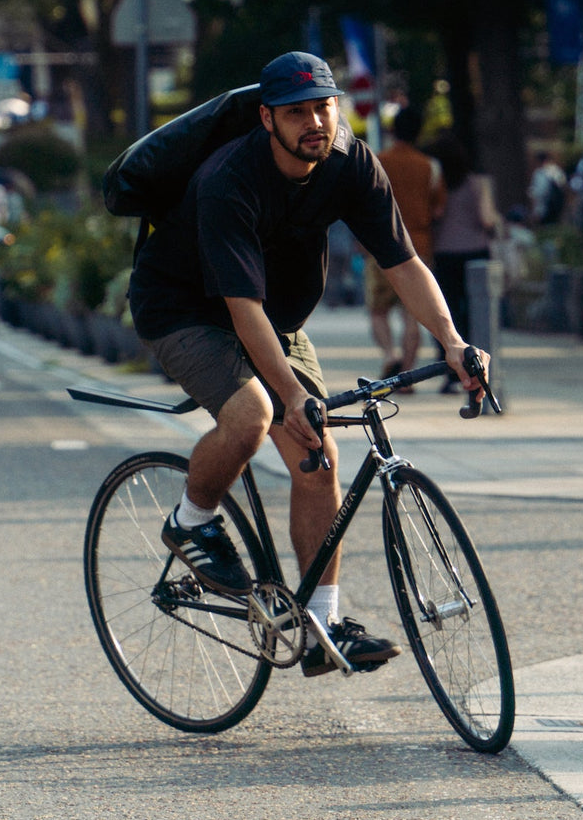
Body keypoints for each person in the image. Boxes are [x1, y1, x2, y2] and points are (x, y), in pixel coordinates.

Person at [127, 51, 487, 677]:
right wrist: (292, 394)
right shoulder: (229, 179)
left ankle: (323, 626)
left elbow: (401, 263)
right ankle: (191, 522)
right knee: (254, 414)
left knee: (317, 451)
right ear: (267, 119)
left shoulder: (351, 164)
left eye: (324, 106)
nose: (314, 122)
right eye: (297, 112)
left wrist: (454, 342)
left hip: (277, 318)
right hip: (185, 308)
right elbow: (241, 311)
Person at [365, 105, 445, 382]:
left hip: (379, 245)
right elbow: (438, 210)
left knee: (377, 310)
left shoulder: (377, 161)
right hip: (419, 246)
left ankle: (390, 354)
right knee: (413, 316)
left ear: (392, 130)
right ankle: (408, 378)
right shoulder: (430, 166)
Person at [426, 133, 500, 391]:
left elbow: (432, 215)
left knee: (447, 314)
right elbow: (487, 219)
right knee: (475, 312)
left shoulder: (437, 184)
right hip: (475, 253)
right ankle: (476, 366)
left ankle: (449, 371)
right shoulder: (478, 183)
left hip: (445, 253)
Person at [527, 150, 568, 226]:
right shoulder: (541, 173)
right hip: (548, 206)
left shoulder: (549, 172)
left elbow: (539, 193)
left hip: (549, 207)